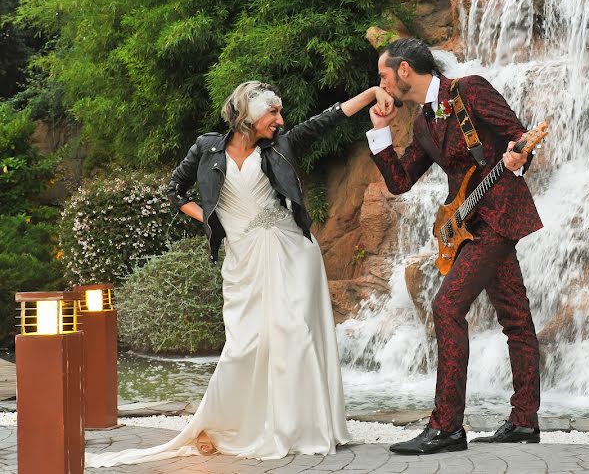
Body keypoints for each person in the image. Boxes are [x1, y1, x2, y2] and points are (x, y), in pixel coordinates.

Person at [86, 81, 394, 467]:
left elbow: (328, 119)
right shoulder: (206, 147)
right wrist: (213, 222)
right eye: (273, 113)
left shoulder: (281, 145)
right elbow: (175, 191)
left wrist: (370, 94)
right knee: (245, 345)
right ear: (248, 115)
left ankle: (299, 427)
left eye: (280, 113)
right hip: (242, 257)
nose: (280, 120)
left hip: (290, 251)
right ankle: (236, 424)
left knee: (292, 334)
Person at [366, 38, 543, 455]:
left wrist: (520, 155)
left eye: (383, 75)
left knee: (447, 307)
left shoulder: (469, 89)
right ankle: (523, 422)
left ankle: (446, 427)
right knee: (516, 318)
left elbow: (518, 135)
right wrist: (380, 133)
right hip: (466, 223)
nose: (381, 83)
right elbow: (400, 181)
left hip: (498, 215)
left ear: (404, 70)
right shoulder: (425, 123)